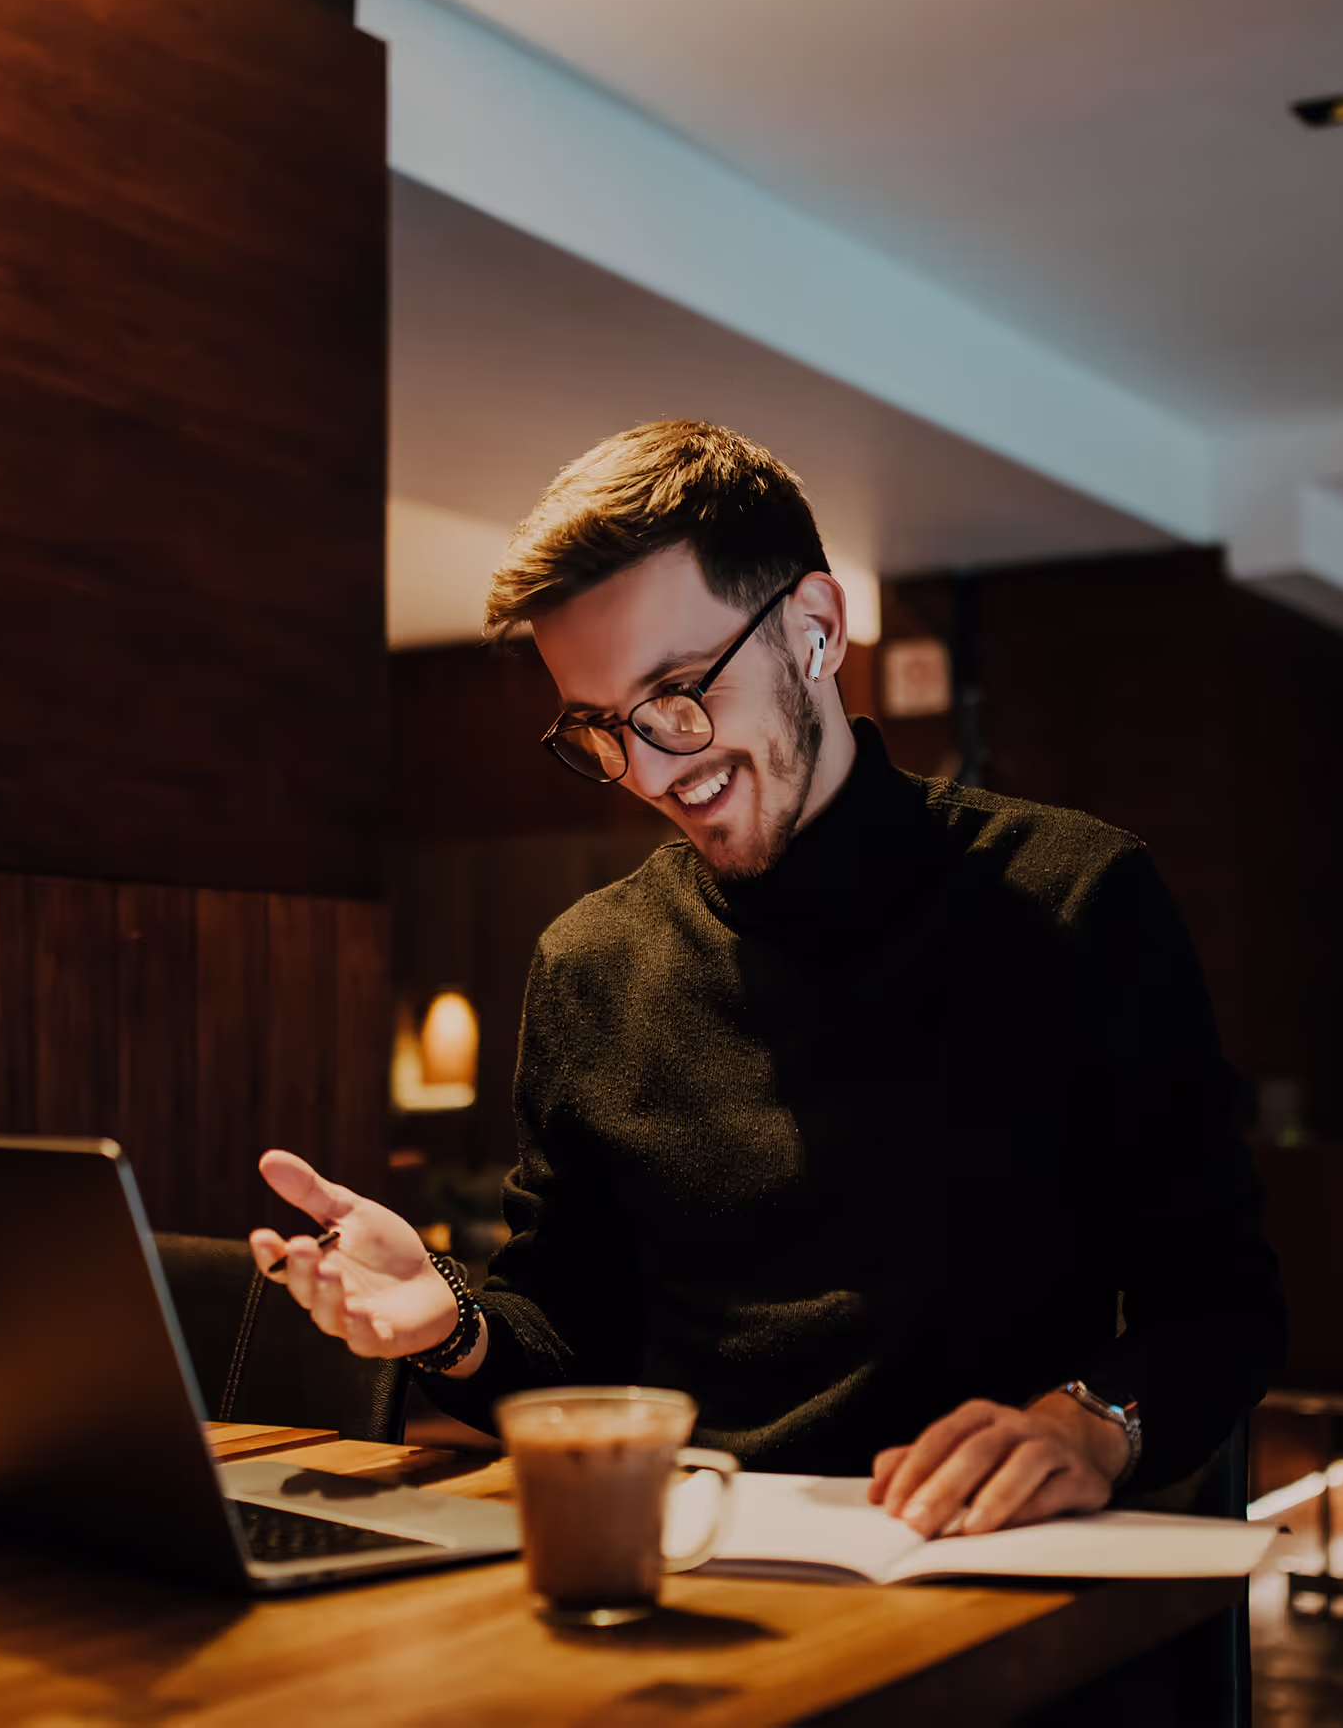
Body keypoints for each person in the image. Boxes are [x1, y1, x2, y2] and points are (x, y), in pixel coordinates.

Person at [250, 420, 1283, 1543]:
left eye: (678, 692)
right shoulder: (590, 963)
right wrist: (448, 1323)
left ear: (815, 630)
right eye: (599, 728)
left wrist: (1089, 1424)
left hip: (973, 1567)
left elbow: (1220, 1305)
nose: (649, 768)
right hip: (684, 1573)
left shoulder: (1072, 897)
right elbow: (570, 1352)